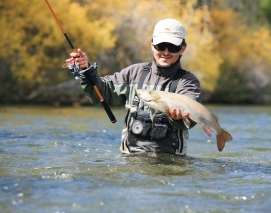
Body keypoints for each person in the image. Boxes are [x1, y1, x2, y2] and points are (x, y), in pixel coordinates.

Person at [70, 18, 201, 155]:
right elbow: (101, 93)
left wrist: (178, 119)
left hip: (170, 167)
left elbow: (192, 117)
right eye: (161, 46)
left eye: (173, 47)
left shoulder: (188, 82)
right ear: (152, 45)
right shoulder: (134, 73)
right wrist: (86, 70)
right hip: (130, 163)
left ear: (182, 48)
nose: (166, 52)